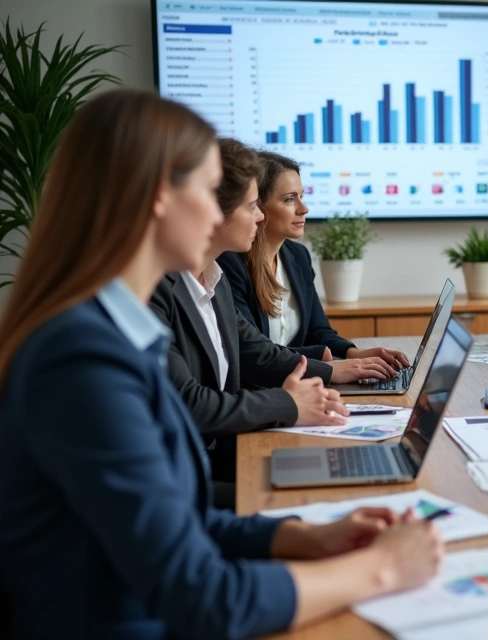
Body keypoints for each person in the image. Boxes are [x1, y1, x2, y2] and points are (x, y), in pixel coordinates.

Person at [0, 90, 442, 639]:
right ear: (159, 197)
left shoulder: (116, 334)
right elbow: (204, 599)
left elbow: (174, 517)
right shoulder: (82, 361)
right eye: (213, 192)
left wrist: (303, 537)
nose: (224, 215)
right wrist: (380, 569)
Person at [149, 138, 394, 489]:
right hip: (183, 476)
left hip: (209, 461)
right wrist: (290, 403)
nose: (260, 215)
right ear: (213, 212)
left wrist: (333, 370)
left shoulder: (213, 280)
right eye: (252, 206)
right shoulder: (158, 289)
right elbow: (189, 403)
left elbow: (254, 350)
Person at [216, 151, 408, 369]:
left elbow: (318, 331)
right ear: (258, 206)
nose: (304, 208)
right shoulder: (229, 264)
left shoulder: (297, 257)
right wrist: (329, 366)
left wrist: (355, 353)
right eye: (289, 199)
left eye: (301, 196)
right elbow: (255, 353)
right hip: (267, 390)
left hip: (302, 382)